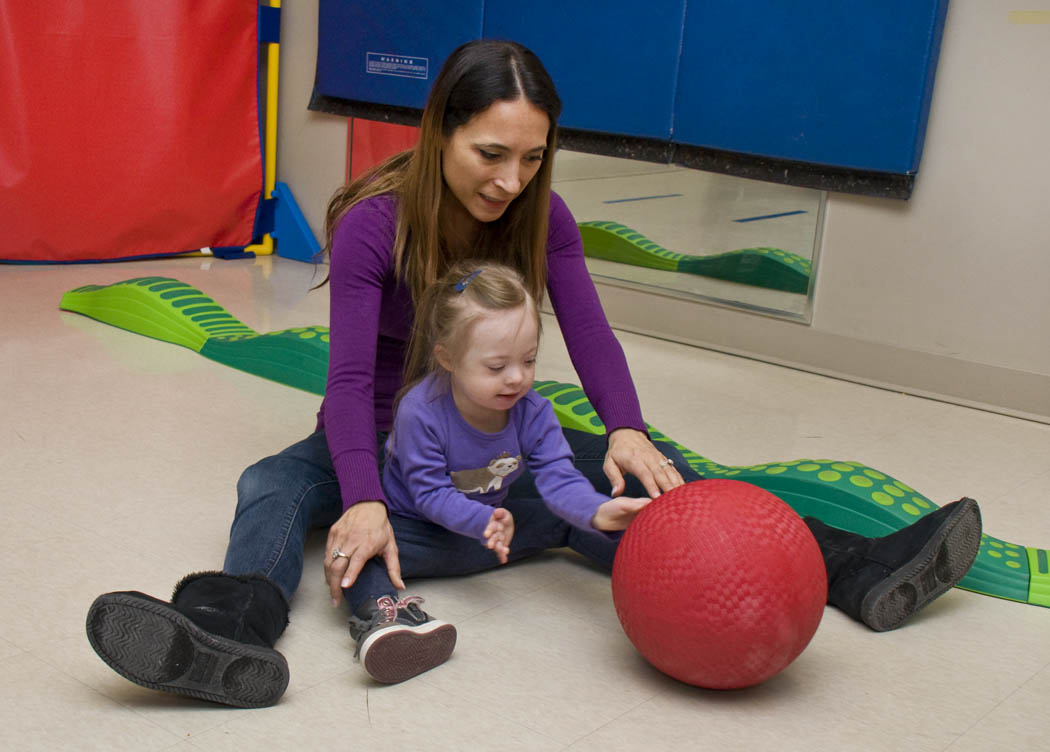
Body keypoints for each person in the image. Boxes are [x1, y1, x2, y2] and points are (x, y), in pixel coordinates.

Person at [84, 39, 983, 708]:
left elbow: (592, 337)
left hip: (490, 427)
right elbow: (349, 385)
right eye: (490, 153)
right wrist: (359, 493)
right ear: (441, 130)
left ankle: (858, 569)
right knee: (273, 483)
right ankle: (230, 629)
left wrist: (626, 426)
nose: (511, 179)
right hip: (388, 425)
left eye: (533, 156)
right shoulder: (374, 225)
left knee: (651, 467)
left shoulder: (542, 218)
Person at [343, 261, 651, 683]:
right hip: (418, 530)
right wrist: (482, 520)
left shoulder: (534, 411)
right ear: (447, 357)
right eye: (496, 367)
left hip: (495, 531)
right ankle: (385, 621)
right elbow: (430, 495)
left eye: (528, 361)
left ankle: (652, 576)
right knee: (365, 555)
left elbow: (558, 479)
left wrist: (597, 512)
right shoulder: (421, 411)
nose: (517, 379)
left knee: (571, 521)